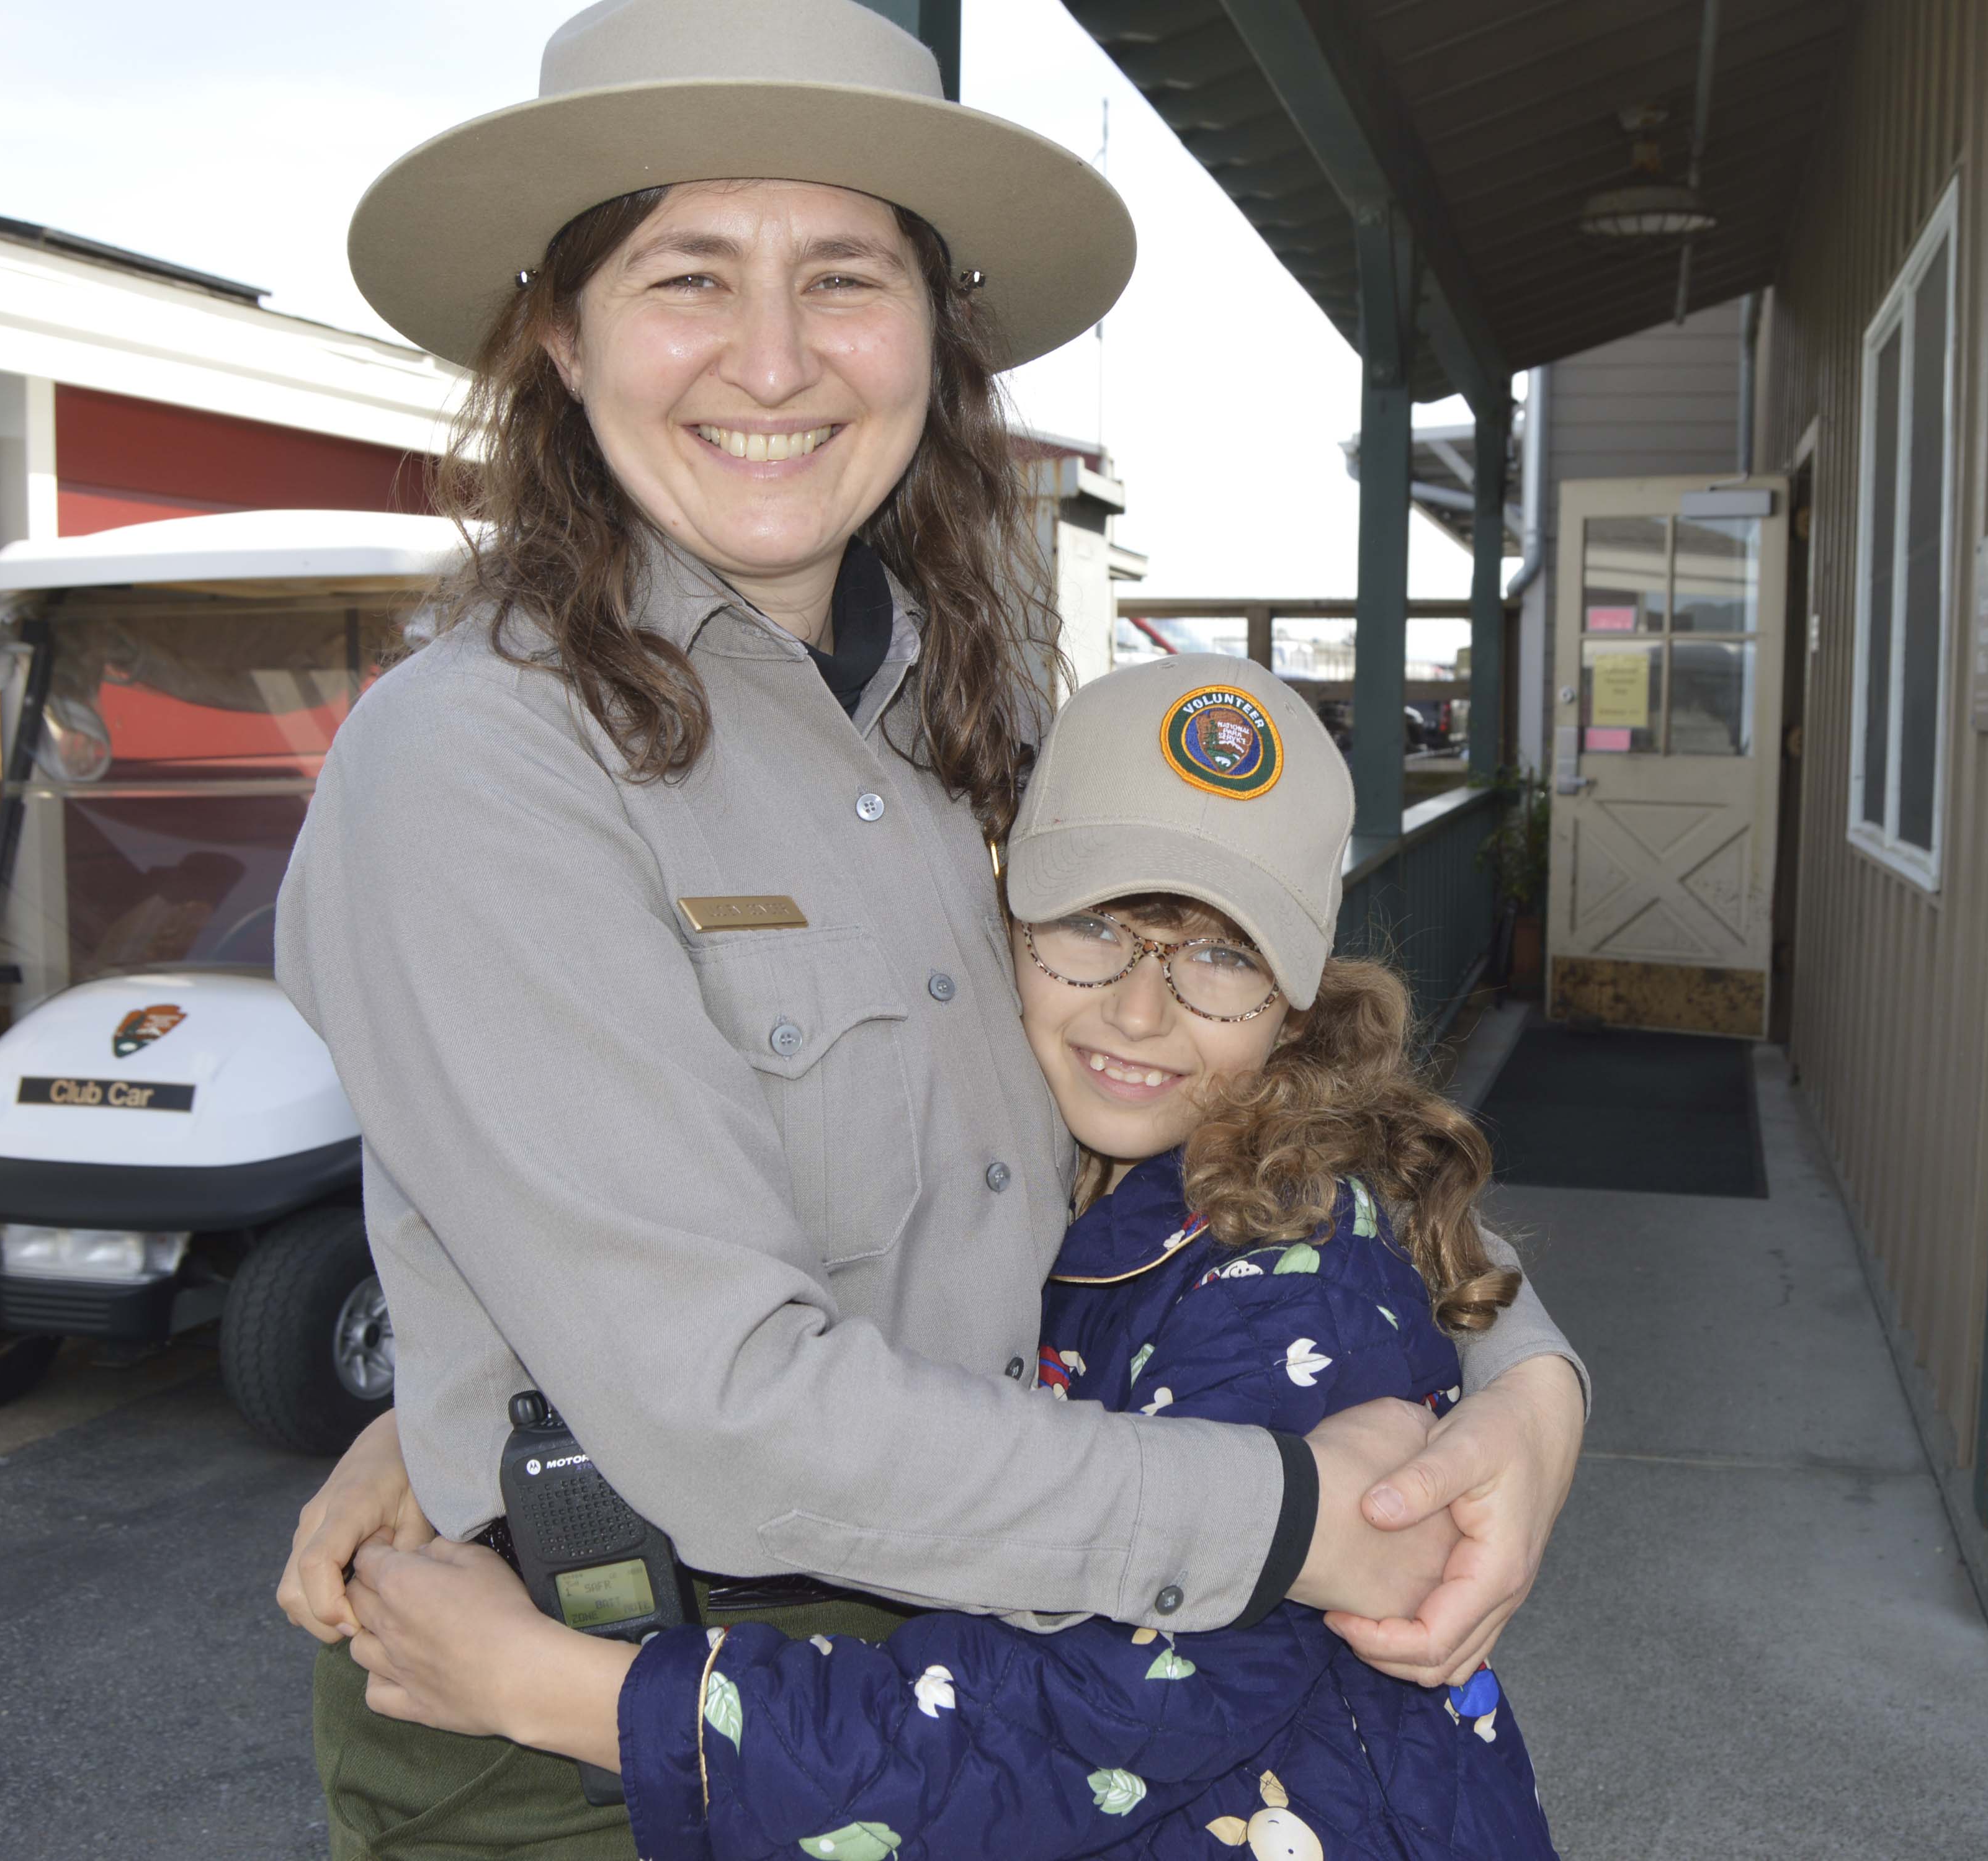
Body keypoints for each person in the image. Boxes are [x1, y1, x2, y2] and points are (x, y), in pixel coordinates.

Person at [274, 2, 1588, 1851]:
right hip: (602, 1720)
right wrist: (1298, 1522)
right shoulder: (479, 760)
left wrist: (1524, 1386)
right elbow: (719, 1408)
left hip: (1009, 1642)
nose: (776, 357)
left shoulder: (971, 735)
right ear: (559, 332)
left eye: (844, 275)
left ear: (933, 334)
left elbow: (1220, 1111)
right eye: (687, 276)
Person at [335, 657, 1561, 1861]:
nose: (1139, 1011)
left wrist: (563, 1692)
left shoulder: (1293, 1277)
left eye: (1221, 955)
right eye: (1094, 924)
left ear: (1298, 1004)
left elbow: (1077, 1731)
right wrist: (444, 1414)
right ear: (1000, 922)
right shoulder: (1048, 1170)